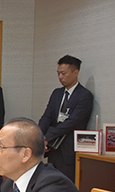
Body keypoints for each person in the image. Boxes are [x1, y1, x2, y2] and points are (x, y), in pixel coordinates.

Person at [38, 54, 93, 182]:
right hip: (53, 148)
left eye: (63, 73)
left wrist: (47, 137)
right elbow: (47, 116)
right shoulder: (57, 93)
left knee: (66, 185)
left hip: (68, 149)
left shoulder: (84, 96)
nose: (60, 77)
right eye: (58, 73)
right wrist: (40, 137)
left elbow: (72, 122)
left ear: (76, 72)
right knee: (51, 183)